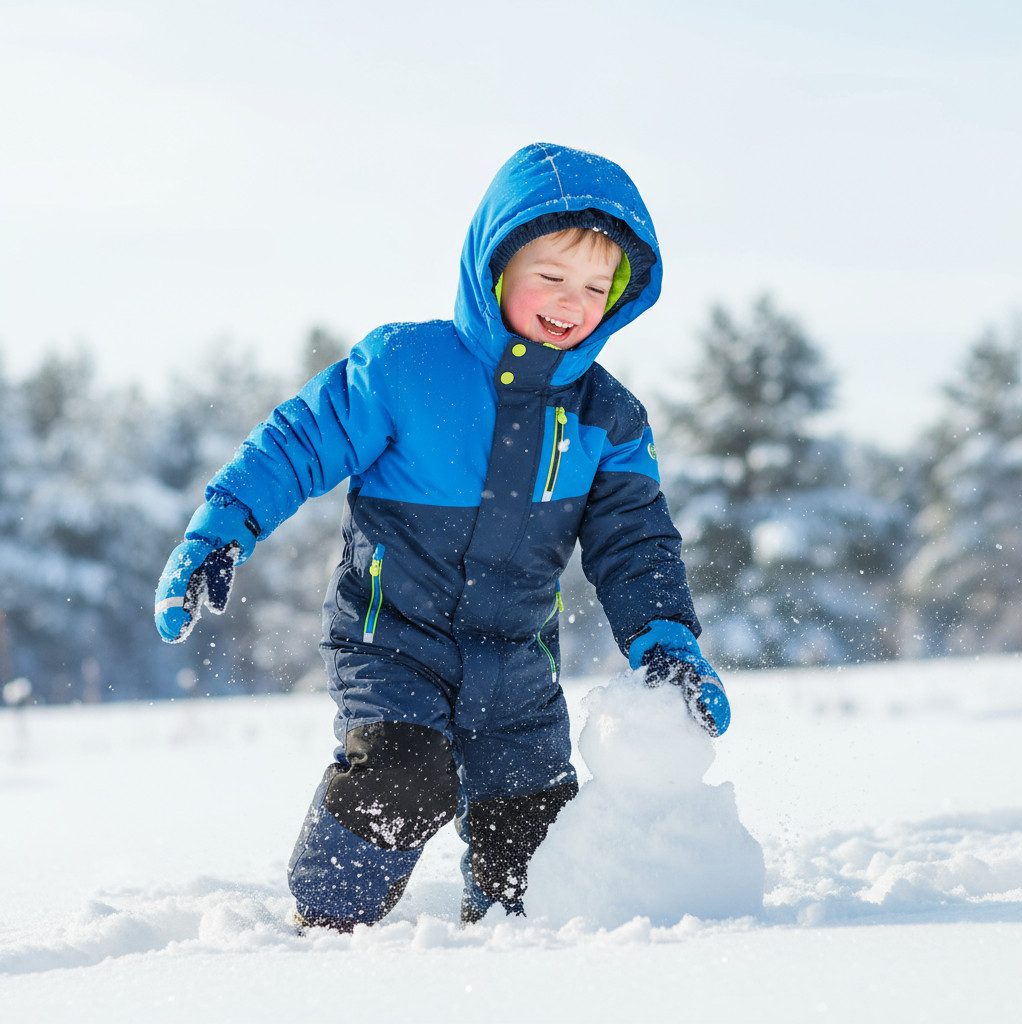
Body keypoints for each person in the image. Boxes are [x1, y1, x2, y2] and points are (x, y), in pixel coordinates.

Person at [154, 142, 731, 931]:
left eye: (598, 286)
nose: (573, 302)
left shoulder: (609, 418)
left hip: (518, 663)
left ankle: (505, 961)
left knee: (538, 858)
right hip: (392, 639)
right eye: (552, 277)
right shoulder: (405, 365)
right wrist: (221, 528)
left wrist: (665, 640)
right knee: (400, 779)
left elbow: (636, 543)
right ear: (495, 268)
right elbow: (297, 442)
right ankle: (322, 932)